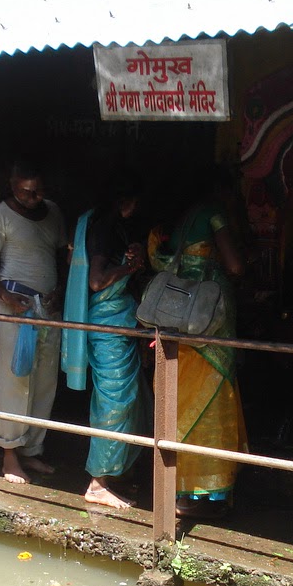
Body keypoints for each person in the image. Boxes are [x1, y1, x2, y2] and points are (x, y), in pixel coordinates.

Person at [147, 170, 247, 519]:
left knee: (181, 397)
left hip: (181, 317)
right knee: (214, 398)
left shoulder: (184, 218)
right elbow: (234, 265)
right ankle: (202, 492)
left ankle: (179, 484)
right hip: (210, 319)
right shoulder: (215, 213)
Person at [0, 160, 67, 484]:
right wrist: (4, 295)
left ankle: (32, 451)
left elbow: (60, 255)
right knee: (14, 379)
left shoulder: (53, 212)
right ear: (14, 188)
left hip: (49, 310)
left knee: (45, 380)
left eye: (38, 191)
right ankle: (9, 455)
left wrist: (60, 290)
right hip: (15, 307)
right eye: (26, 192)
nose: (33, 197)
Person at [62, 174, 147, 509]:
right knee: (115, 403)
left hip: (117, 323)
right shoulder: (106, 230)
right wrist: (128, 269)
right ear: (125, 201)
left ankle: (116, 473)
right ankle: (98, 483)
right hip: (108, 326)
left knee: (128, 399)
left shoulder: (105, 226)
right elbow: (98, 281)